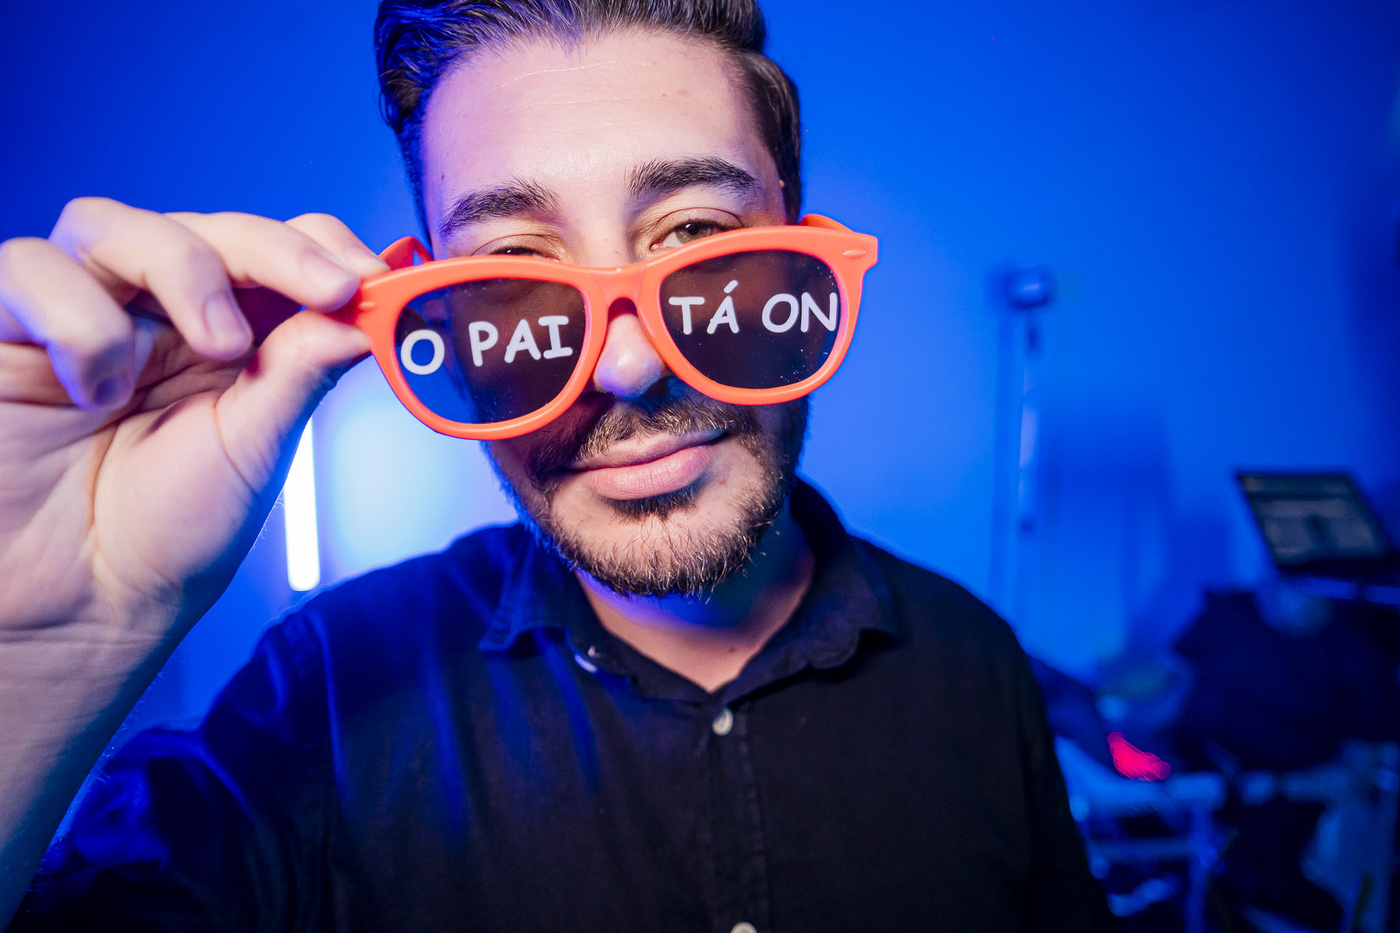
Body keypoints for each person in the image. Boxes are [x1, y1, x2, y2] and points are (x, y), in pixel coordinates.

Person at [0, 0, 1111, 929]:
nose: (626, 365)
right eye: (516, 270)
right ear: (441, 320)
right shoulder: (322, 697)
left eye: (693, 238)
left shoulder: (975, 667)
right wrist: (42, 657)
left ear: (796, 253)